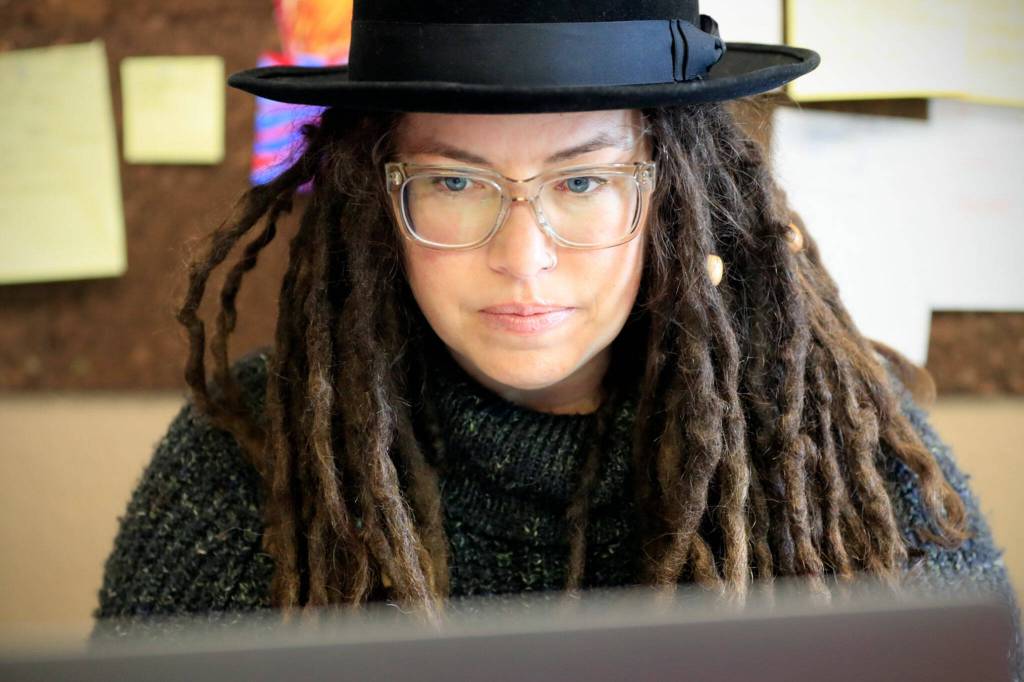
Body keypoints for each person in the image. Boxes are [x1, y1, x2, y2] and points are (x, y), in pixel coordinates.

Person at [93, 0, 1021, 676]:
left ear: (670, 196)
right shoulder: (248, 460)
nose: (523, 260)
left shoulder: (840, 450)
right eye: (455, 185)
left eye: (582, 183)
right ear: (374, 200)